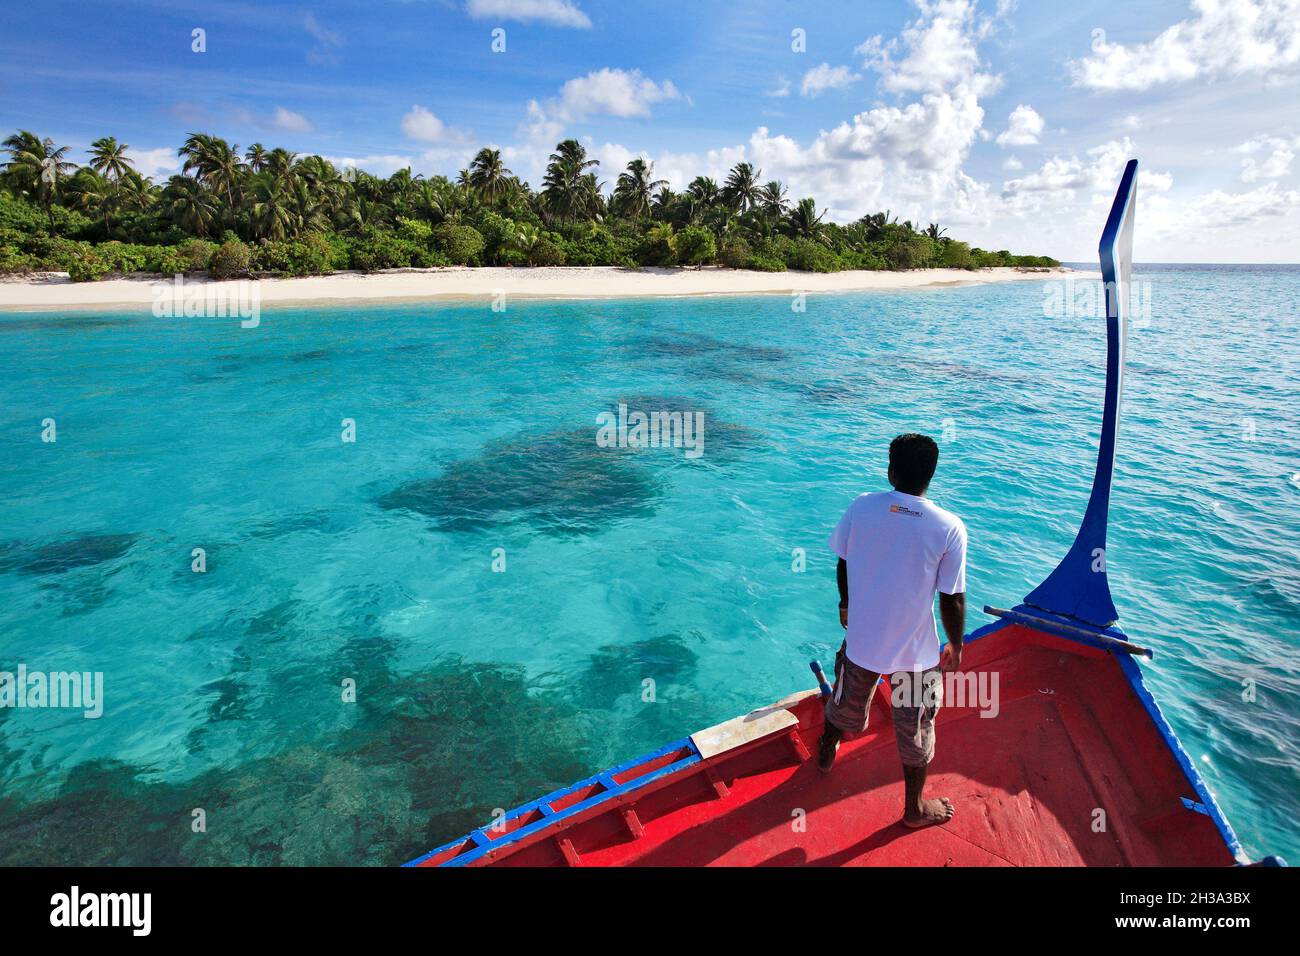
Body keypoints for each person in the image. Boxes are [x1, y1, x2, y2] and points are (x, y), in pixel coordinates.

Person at [820, 433, 967, 829]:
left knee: (846, 705)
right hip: (916, 657)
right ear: (931, 476)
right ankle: (915, 810)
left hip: (862, 644)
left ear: (891, 471)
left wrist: (845, 603)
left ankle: (825, 749)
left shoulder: (861, 507)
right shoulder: (950, 527)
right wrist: (955, 642)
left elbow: (843, 561)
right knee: (915, 728)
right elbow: (951, 597)